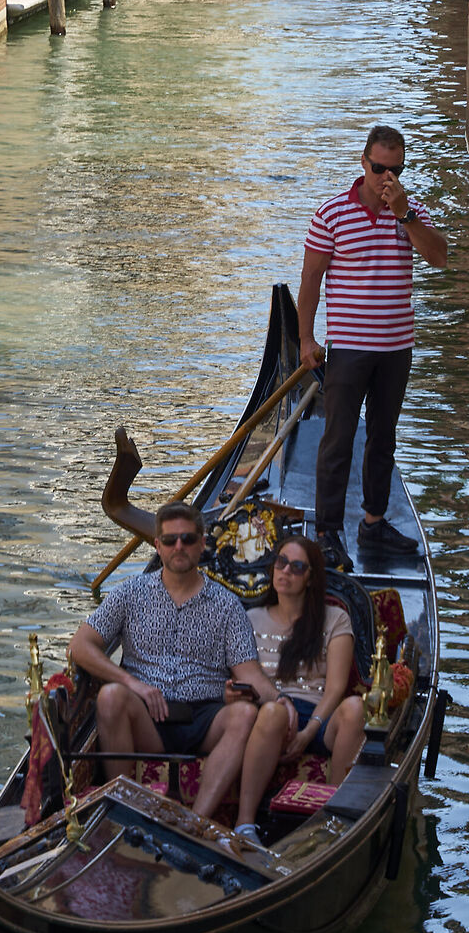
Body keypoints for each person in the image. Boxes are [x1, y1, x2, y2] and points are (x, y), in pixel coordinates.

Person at [68, 498, 282, 827]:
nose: (178, 546)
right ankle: (124, 813)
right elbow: (81, 646)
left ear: (202, 544)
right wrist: (131, 683)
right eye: (170, 540)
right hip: (146, 716)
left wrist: (280, 703)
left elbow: (249, 672)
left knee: (244, 714)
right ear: (158, 545)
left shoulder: (227, 605)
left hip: (205, 718)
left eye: (188, 539)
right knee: (111, 696)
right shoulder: (129, 593)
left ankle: (195, 823)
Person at [297, 123, 446, 575]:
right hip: (348, 349)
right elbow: (310, 285)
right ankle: (327, 532)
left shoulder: (410, 211)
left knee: (383, 438)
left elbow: (440, 257)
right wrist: (306, 339)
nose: (387, 178)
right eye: (380, 168)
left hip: (396, 348)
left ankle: (374, 521)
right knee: (338, 438)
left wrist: (405, 215)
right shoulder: (331, 215)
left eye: (396, 170)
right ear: (364, 163)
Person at [230, 532, 365, 844]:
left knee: (355, 708)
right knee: (275, 712)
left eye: (297, 567)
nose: (286, 571)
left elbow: (336, 688)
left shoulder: (335, 619)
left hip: (320, 717)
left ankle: (333, 819)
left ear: (310, 578)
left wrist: (308, 732)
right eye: (281, 563)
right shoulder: (250, 618)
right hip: (269, 716)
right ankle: (245, 824)